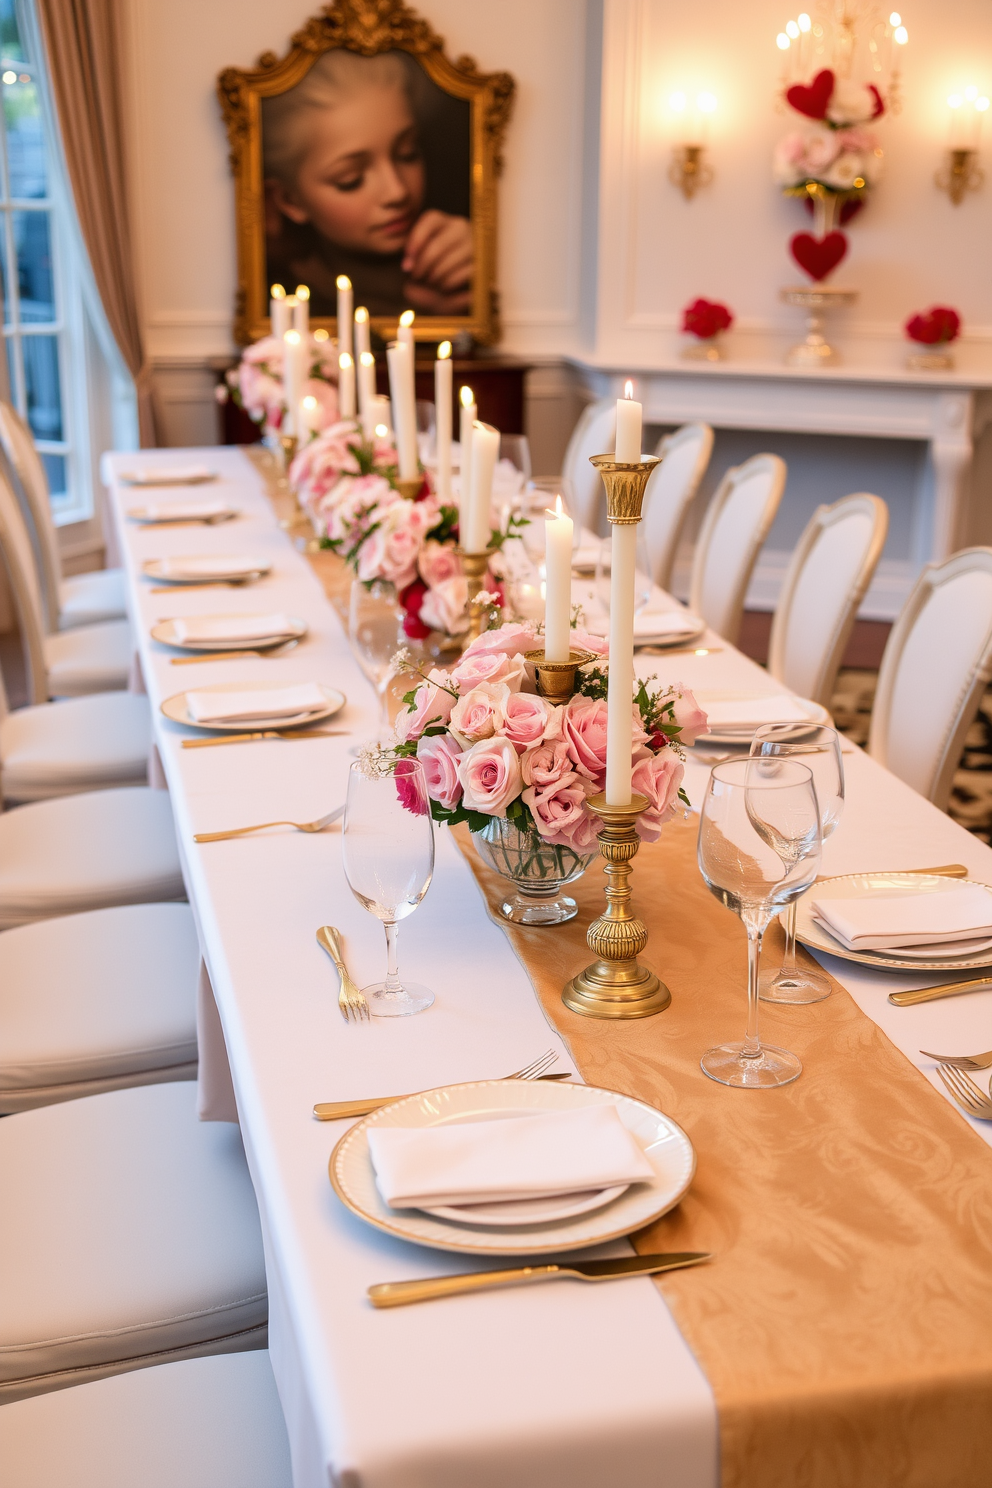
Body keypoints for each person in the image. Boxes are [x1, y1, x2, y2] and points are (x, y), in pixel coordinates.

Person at [263, 49, 472, 318]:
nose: (397, 191)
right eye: (351, 179)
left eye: (407, 153)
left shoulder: (458, 254)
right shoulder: (289, 308)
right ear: (290, 200)